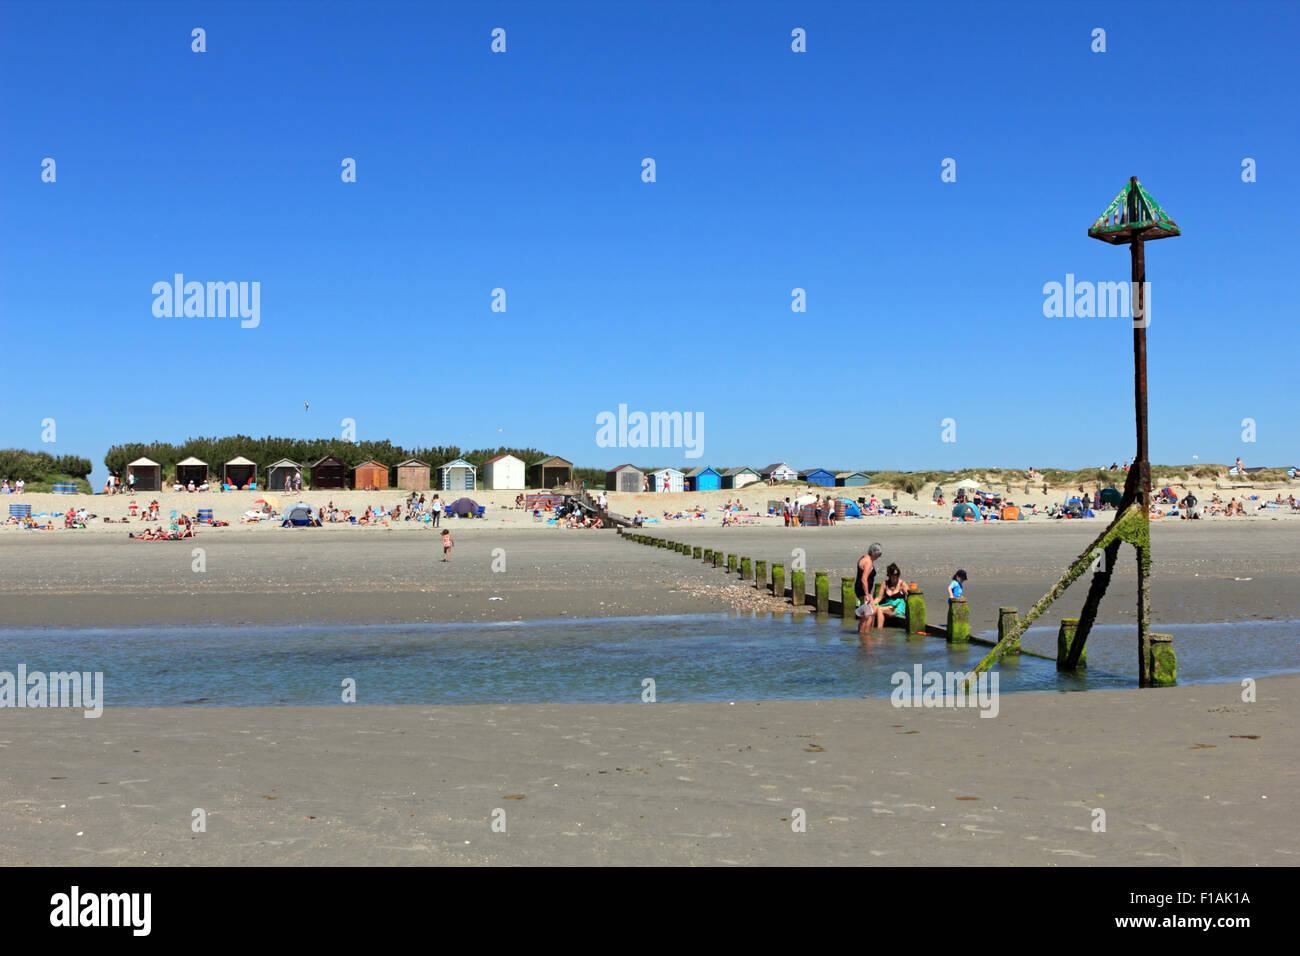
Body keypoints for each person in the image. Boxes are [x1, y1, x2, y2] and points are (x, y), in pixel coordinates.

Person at [854, 542, 884, 635]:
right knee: (866, 615)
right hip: (863, 590)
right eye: (878, 555)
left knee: (871, 612)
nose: (878, 557)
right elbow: (864, 579)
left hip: (861, 589)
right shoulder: (868, 562)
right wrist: (867, 594)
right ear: (875, 553)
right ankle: (862, 636)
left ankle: (866, 634)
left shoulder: (863, 558)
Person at [871, 563, 909, 630]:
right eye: (893, 575)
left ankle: (879, 630)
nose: (895, 577)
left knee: (879, 609)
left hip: (898, 607)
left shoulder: (902, 584)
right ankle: (871, 629)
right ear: (889, 575)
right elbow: (879, 598)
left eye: (897, 575)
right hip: (888, 606)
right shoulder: (885, 584)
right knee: (873, 608)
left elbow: (909, 596)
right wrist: (871, 604)